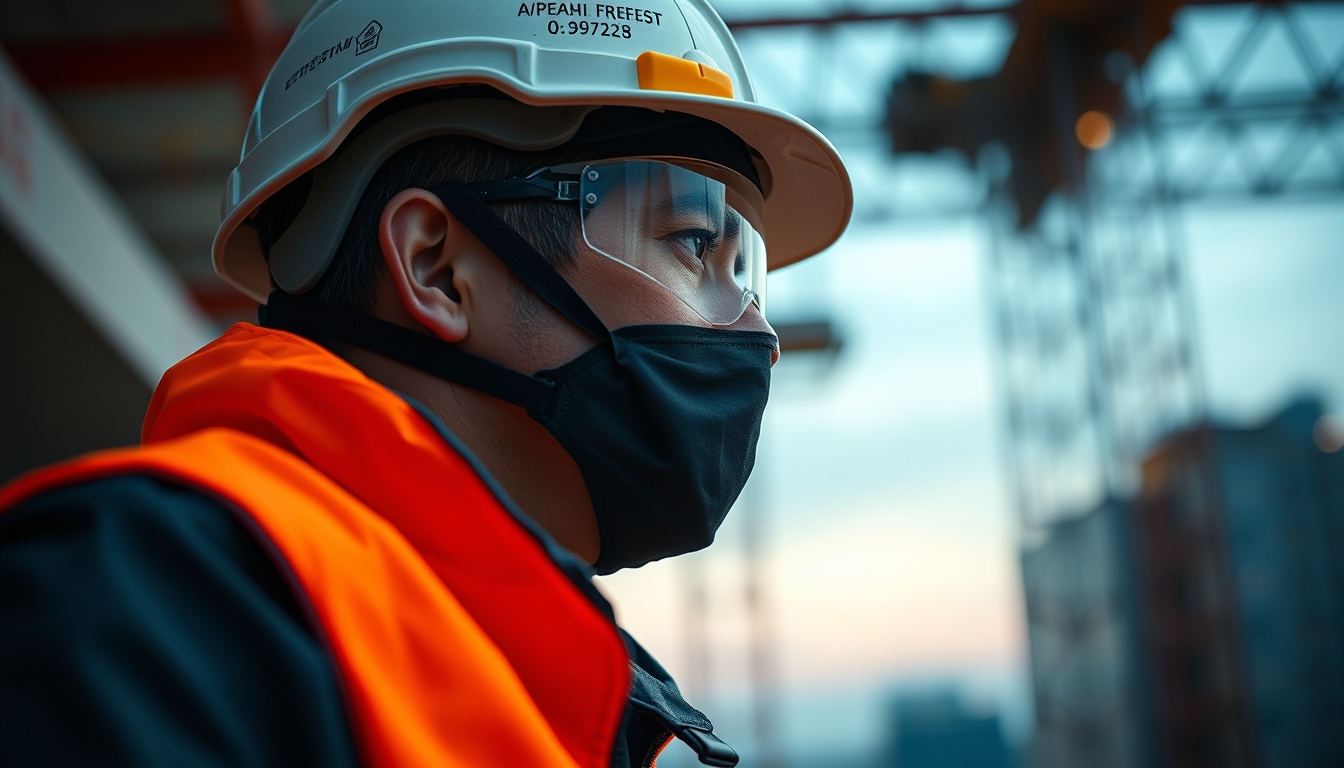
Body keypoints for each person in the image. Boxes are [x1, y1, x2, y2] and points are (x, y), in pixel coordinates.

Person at [0, 1, 851, 766]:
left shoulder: (540, 682)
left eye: (744, 270)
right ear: (438, 268)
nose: (760, 334)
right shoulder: (144, 603)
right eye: (695, 245)